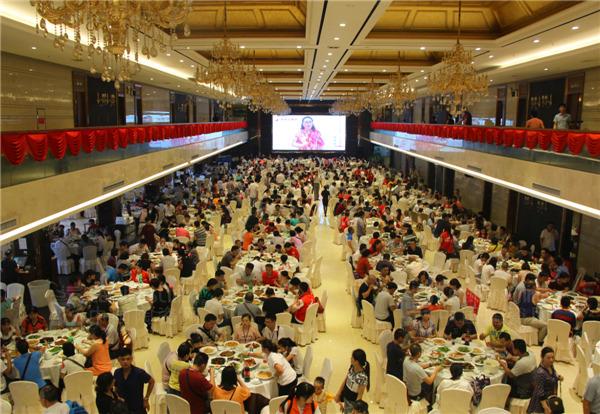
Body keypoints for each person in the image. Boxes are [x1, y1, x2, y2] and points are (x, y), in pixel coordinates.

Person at [114, 348, 154, 414]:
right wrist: (117, 397)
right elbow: (116, 387)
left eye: (128, 359)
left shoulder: (139, 373)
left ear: (131, 359)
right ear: (118, 360)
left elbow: (152, 381)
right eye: (123, 359)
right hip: (123, 408)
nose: (125, 362)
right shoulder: (117, 372)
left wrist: (146, 398)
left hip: (137, 408)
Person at [528, 347, 563, 414]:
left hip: (550, 398)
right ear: (542, 357)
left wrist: (558, 377)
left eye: (552, 357)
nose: (551, 360)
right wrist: (545, 407)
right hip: (541, 403)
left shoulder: (550, 366)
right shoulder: (540, 373)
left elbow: (552, 376)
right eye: (548, 358)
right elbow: (540, 392)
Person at [335, 349, 370, 414]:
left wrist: (355, 409)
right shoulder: (352, 367)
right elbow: (346, 379)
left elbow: (360, 395)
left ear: (357, 361)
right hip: (346, 398)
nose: (350, 358)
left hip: (353, 403)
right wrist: (339, 393)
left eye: (352, 357)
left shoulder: (362, 377)